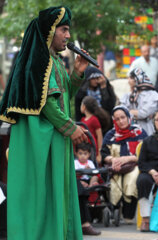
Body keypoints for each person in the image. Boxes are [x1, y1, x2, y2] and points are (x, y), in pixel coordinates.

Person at [0, 6, 89, 239]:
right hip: (42, 141)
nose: (68, 36)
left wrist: (77, 74)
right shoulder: (39, 61)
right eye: (64, 30)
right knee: (41, 193)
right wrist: (71, 128)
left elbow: (61, 94)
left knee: (53, 192)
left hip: (54, 138)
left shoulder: (56, 61)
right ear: (50, 30)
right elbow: (48, 103)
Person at [101, 105, 148, 223]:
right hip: (115, 167)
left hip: (134, 165)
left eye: (123, 117)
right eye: (117, 119)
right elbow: (103, 154)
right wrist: (113, 159)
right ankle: (115, 212)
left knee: (131, 180)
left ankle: (128, 215)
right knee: (113, 183)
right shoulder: (110, 135)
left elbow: (146, 154)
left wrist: (128, 159)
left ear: (128, 117)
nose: (121, 121)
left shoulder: (139, 132)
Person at [121, 68, 158, 135]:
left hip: (148, 129)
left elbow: (143, 113)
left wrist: (130, 112)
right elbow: (122, 112)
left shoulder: (152, 95)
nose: (128, 81)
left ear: (137, 79)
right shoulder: (129, 95)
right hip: (132, 131)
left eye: (131, 78)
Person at [74, 142, 101, 235]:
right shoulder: (75, 163)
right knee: (79, 185)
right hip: (79, 179)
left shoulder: (90, 162)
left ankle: (85, 223)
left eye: (85, 154)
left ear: (89, 154)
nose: (82, 156)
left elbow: (94, 172)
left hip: (88, 179)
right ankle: (84, 224)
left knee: (95, 176)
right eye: (80, 153)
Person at [81, 96, 110, 164]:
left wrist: (99, 154)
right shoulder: (82, 120)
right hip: (84, 148)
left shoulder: (94, 120)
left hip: (93, 149)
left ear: (84, 106)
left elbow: (99, 137)